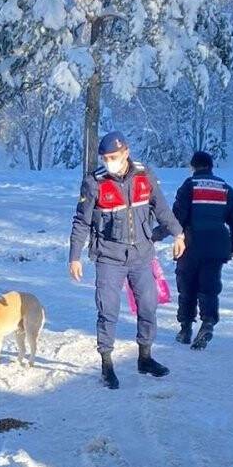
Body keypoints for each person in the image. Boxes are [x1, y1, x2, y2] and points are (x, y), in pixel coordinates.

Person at [69, 131, 186, 389]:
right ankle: (107, 365)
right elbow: (81, 221)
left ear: (126, 153)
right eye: (105, 158)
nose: (108, 162)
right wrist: (74, 256)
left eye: (113, 157)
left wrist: (178, 234)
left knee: (148, 306)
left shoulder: (144, 175)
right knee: (108, 310)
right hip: (109, 257)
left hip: (141, 255)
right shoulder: (94, 182)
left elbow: (162, 209)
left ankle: (145, 358)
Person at [171, 151, 233, 349]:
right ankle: (208, 322)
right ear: (211, 166)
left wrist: (164, 234)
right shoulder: (225, 188)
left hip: (191, 244)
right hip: (217, 245)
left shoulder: (189, 186)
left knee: (187, 286)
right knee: (209, 286)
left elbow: (178, 216)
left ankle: (185, 328)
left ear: (193, 167)